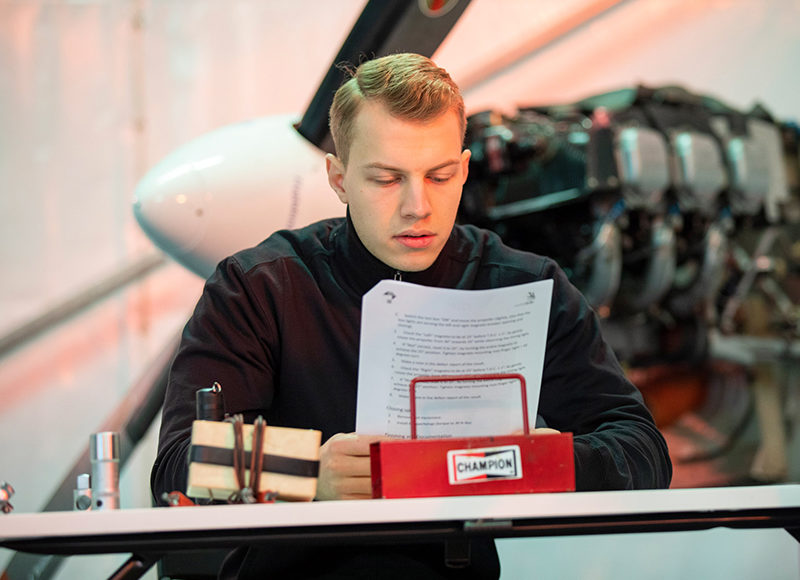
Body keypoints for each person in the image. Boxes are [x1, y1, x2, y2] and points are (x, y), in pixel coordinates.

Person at [152, 53, 672, 579]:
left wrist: (548, 464)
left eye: (439, 177)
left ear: (464, 170)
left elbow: (643, 450)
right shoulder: (260, 288)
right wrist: (303, 470)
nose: (417, 206)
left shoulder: (525, 286)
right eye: (386, 179)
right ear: (338, 178)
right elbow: (175, 467)